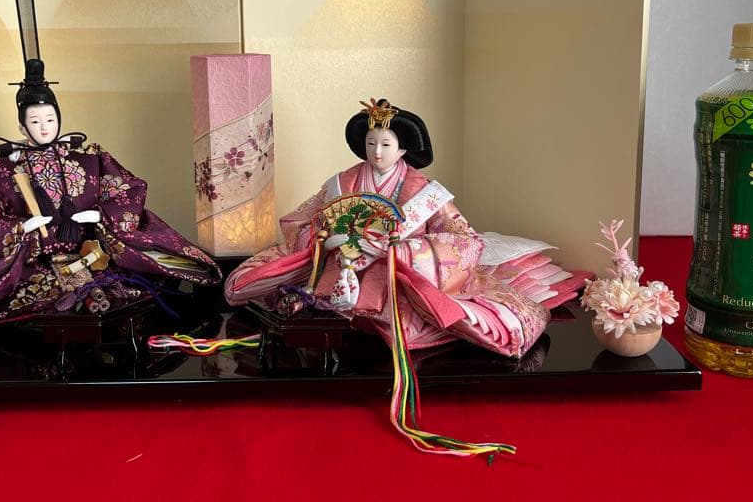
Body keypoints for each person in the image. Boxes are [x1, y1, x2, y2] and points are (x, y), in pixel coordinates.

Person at [224, 98, 586, 358]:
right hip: (341, 266)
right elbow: (299, 219)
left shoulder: (426, 193)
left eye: (386, 145)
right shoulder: (341, 183)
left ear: (402, 151)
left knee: (415, 319)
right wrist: (329, 238)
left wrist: (404, 251)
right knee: (256, 286)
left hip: (399, 274)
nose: (377, 152)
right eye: (371, 144)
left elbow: (465, 240)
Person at [0, 59, 219, 343]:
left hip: (90, 254)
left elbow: (128, 189)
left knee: (130, 285)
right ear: (22, 126)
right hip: (32, 263)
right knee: (4, 296)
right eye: (35, 121)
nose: (44, 127)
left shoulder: (89, 156)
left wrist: (100, 216)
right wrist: (21, 228)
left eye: (50, 119)